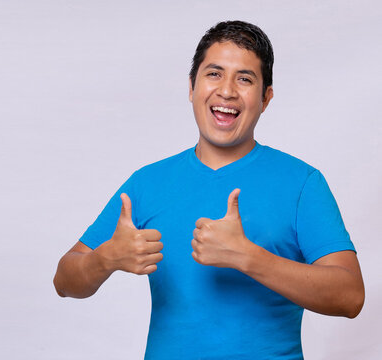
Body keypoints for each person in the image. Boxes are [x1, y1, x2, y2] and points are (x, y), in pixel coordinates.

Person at [53, 20, 365, 359]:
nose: (227, 91)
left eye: (244, 79)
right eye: (214, 74)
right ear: (191, 87)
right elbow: (64, 281)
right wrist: (104, 259)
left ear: (266, 98)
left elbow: (350, 297)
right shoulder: (147, 183)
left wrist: (248, 257)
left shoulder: (302, 183)